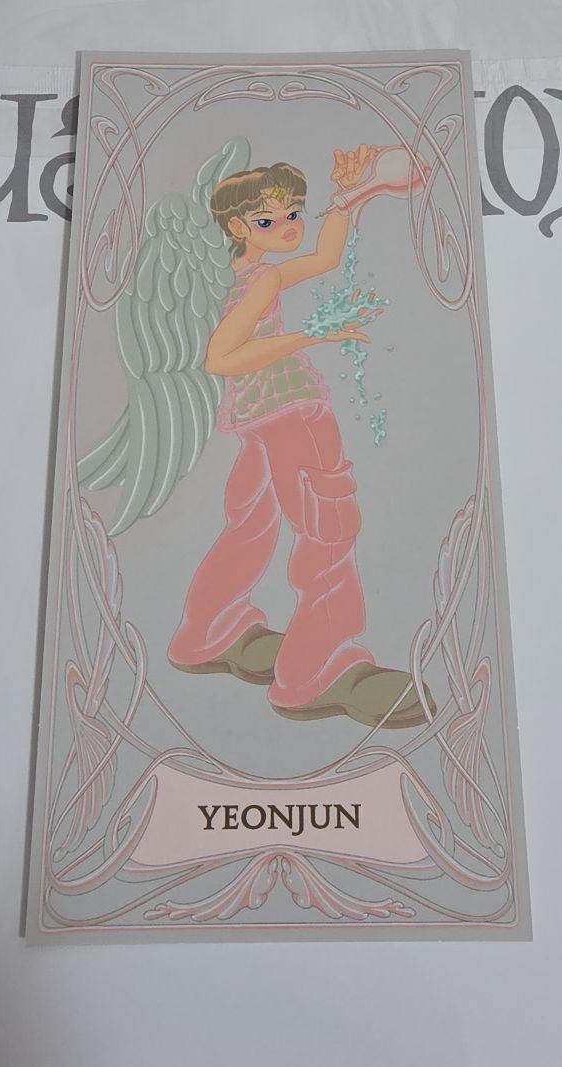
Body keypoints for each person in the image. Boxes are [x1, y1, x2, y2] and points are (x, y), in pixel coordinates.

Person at [166, 145, 433, 729]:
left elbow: (326, 257)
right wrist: (312, 335)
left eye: (293, 215)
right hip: (290, 410)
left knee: (252, 522)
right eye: (269, 220)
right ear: (238, 227)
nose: (288, 227)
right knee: (328, 530)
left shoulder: (248, 274)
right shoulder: (261, 281)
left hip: (258, 418)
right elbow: (220, 357)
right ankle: (315, 669)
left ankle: (209, 630)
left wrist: (350, 198)